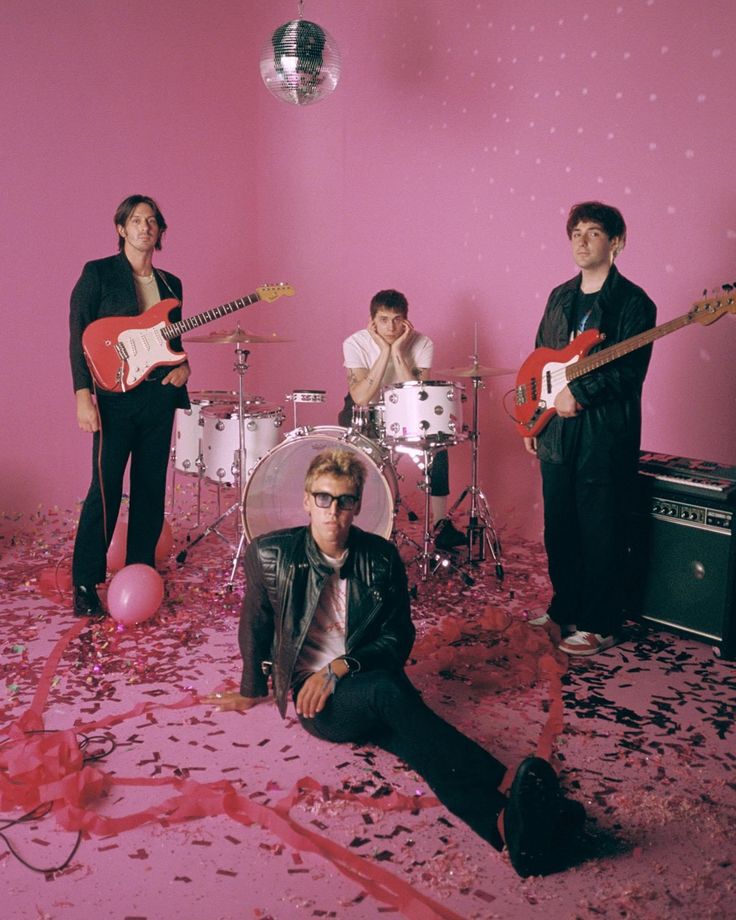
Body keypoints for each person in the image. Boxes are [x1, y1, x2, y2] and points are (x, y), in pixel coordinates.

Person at [214, 448, 585, 877]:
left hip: (366, 676)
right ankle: (509, 785)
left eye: (345, 500)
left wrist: (342, 667)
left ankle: (505, 827)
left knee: (417, 742)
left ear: (356, 506)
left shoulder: (380, 556)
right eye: (323, 498)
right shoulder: (269, 555)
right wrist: (251, 691)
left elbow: (398, 637)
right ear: (306, 501)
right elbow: (255, 624)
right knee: (394, 697)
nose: (333, 512)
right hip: (321, 702)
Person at [524, 202, 656, 656]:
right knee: (558, 524)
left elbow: (628, 372)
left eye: (593, 232)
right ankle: (564, 609)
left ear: (616, 242)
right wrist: (532, 415)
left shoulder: (635, 303)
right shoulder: (560, 296)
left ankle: (601, 622)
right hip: (554, 430)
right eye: (575, 232)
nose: (580, 240)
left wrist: (578, 394)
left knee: (600, 526)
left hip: (602, 432)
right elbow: (540, 356)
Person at [69, 195, 190, 616]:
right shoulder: (98, 273)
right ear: (122, 228)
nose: (145, 227)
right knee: (105, 491)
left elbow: (169, 343)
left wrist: (184, 366)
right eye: (137, 220)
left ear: (159, 231)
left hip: (158, 398)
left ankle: (141, 570)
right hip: (112, 400)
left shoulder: (171, 283)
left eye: (152, 221)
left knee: (150, 490)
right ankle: (85, 582)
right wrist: (83, 396)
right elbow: (78, 338)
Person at [340, 289, 465, 551]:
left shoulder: (422, 343)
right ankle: (360, 521)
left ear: (406, 321)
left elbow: (418, 396)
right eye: (384, 319)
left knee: (438, 447)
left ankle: (440, 524)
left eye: (397, 319)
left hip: (406, 408)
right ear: (372, 320)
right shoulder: (355, 343)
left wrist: (397, 350)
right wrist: (383, 350)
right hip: (366, 411)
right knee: (351, 459)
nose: (391, 326)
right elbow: (361, 397)